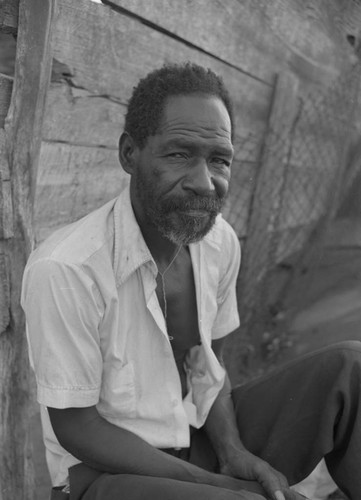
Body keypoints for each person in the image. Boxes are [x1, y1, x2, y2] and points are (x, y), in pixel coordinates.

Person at [21, 62, 361, 500]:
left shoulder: (218, 242)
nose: (205, 183)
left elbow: (208, 368)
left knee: (351, 368)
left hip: (193, 437)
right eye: (179, 154)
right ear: (130, 154)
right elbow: (77, 428)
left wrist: (233, 450)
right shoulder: (67, 268)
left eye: (219, 160)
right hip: (106, 475)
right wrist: (221, 485)